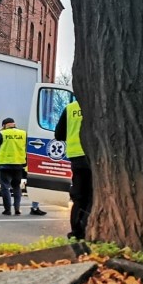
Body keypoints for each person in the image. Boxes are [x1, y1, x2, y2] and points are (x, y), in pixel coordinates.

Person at [55, 98, 90, 239]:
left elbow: (59, 135)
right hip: (93, 155)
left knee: (79, 197)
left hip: (76, 156)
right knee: (91, 196)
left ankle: (76, 233)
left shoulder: (70, 108)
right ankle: (85, 229)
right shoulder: (98, 104)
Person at [0, 117, 26, 215]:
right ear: (14, 124)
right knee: (16, 187)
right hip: (18, 164)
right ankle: (17, 208)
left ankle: (7, 210)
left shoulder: (2, 133)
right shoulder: (23, 133)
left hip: (5, 165)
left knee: (5, 187)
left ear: (4, 125)